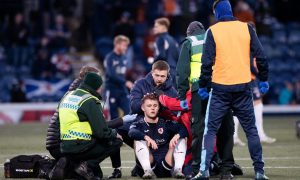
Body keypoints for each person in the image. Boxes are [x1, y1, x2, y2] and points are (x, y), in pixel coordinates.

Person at [192, 0, 269, 179]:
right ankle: (259, 171)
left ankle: (204, 171)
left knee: (210, 130)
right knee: (251, 130)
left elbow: (206, 62)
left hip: (220, 89)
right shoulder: (246, 28)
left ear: (217, 13)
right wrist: (263, 78)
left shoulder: (213, 30)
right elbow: (261, 56)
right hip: (243, 87)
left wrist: (203, 85)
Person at [176, 21, 242, 179]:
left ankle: (198, 169)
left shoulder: (189, 43)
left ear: (189, 33)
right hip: (222, 88)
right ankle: (226, 170)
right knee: (225, 128)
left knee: (199, 130)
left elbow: (182, 71)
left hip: (200, 90)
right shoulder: (217, 38)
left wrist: (182, 95)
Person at [46, 66, 137, 179]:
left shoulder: (68, 95)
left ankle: (64, 165)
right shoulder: (89, 100)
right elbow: (101, 131)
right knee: (114, 140)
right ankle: (86, 165)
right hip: (75, 145)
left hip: (63, 144)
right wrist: (115, 132)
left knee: (96, 174)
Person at [128, 93, 188, 179]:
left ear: (159, 107)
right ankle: (147, 170)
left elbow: (184, 129)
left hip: (166, 165)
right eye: (149, 106)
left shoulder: (166, 123)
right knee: (138, 140)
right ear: (143, 108)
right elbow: (131, 132)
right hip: (149, 164)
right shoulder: (138, 124)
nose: (152, 108)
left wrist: (177, 136)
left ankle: (178, 170)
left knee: (181, 138)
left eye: (155, 105)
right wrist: (146, 137)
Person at [104, 35, 133, 120]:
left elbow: (122, 74)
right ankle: (114, 133)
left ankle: (126, 132)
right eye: (124, 45)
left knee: (129, 112)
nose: (125, 48)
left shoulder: (124, 58)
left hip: (122, 89)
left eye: (126, 46)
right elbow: (111, 74)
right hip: (111, 89)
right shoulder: (110, 58)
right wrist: (125, 82)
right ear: (117, 44)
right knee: (113, 116)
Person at [153, 17, 179, 87]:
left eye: (156, 26)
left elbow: (162, 55)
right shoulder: (173, 39)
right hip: (174, 72)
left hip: (164, 73)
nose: (154, 28)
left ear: (163, 27)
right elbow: (178, 56)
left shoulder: (160, 39)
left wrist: (153, 62)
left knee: (161, 96)